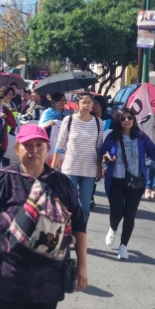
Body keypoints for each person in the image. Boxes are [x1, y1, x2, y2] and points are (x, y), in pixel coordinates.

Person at [0, 124, 89, 309]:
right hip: (6, 277)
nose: (34, 150)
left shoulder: (61, 183)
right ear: (17, 149)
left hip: (47, 281)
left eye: (39, 145)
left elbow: (79, 226)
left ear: (48, 148)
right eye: (27, 145)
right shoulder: (3, 179)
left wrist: (82, 266)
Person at [100, 108, 155, 260]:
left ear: (134, 120)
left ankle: (123, 246)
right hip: (115, 180)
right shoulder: (111, 137)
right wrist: (106, 157)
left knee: (130, 215)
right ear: (118, 121)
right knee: (116, 212)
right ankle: (113, 227)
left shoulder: (141, 137)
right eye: (123, 118)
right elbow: (102, 153)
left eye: (129, 118)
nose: (127, 121)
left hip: (135, 182)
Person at [52, 92, 103, 224]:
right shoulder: (68, 120)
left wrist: (99, 169)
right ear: (78, 104)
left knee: (84, 206)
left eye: (89, 102)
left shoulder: (98, 123)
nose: (86, 105)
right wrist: (53, 166)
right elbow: (60, 144)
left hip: (89, 169)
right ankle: (66, 234)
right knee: (68, 204)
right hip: (70, 168)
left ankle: (80, 236)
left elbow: (99, 148)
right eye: (83, 102)